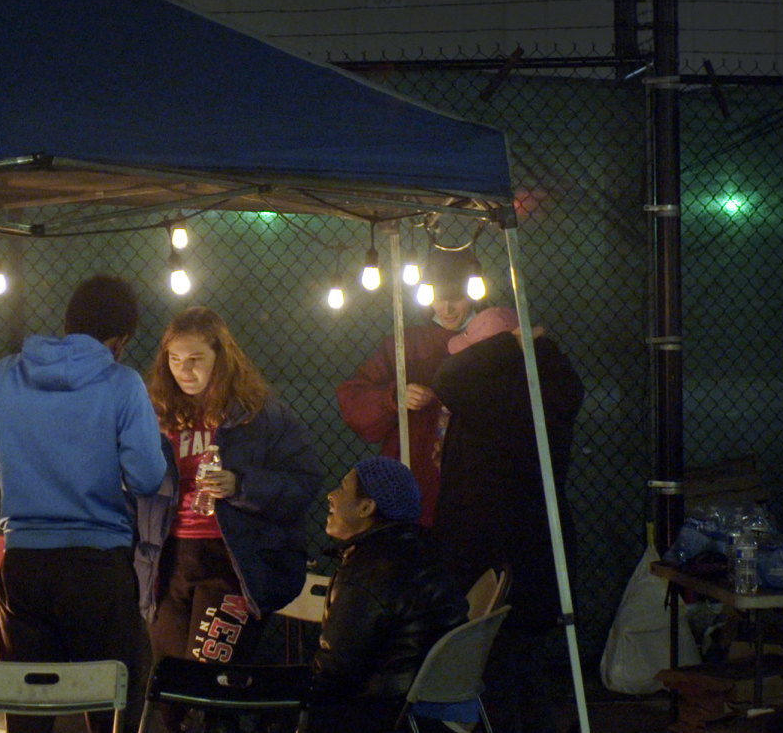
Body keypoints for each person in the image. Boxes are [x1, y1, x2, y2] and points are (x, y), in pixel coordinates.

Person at [0, 275, 167, 733]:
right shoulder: (122, 383)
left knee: (28, 708)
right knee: (114, 703)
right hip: (97, 566)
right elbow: (148, 477)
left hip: (24, 565)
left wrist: (23, 448)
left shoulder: (6, 373)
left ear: (67, 322)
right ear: (120, 341)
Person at [134, 306, 321, 680]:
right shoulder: (154, 414)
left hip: (232, 561)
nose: (184, 371)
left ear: (222, 357)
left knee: (208, 684)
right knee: (166, 683)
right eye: (175, 360)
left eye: (196, 359)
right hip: (168, 561)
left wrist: (241, 485)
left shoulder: (258, 414)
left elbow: (304, 481)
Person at [429, 307, 584, 733]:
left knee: (506, 671)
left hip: (506, 554)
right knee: (517, 670)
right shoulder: (524, 392)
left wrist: (509, 343)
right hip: (524, 553)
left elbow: (449, 376)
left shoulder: (507, 398)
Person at [306, 457, 468, 732]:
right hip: (431, 709)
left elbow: (334, 674)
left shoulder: (370, 571)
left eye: (343, 488)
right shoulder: (415, 550)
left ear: (367, 508)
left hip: (385, 713)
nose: (331, 496)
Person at [334, 247, 484, 524]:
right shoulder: (405, 344)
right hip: (416, 469)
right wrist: (394, 397)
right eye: (439, 298)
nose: (447, 308)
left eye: (457, 298)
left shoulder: (495, 341)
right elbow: (353, 400)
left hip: (478, 471)